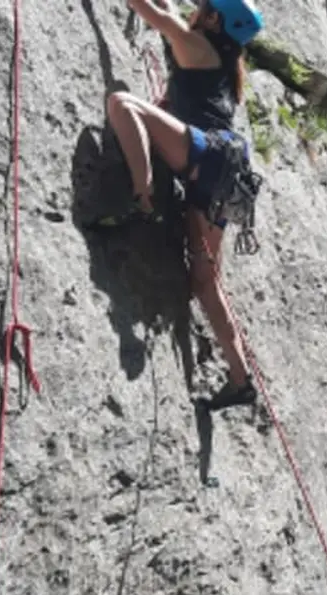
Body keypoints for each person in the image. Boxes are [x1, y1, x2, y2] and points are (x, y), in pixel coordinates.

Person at [104, 0, 263, 410]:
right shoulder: (222, 65)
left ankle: (143, 199)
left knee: (122, 103)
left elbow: (152, 13)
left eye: (204, 6)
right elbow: (168, 9)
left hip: (207, 156)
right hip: (228, 172)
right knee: (205, 282)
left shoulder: (196, 45)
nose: (195, 8)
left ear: (213, 20)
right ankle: (241, 379)